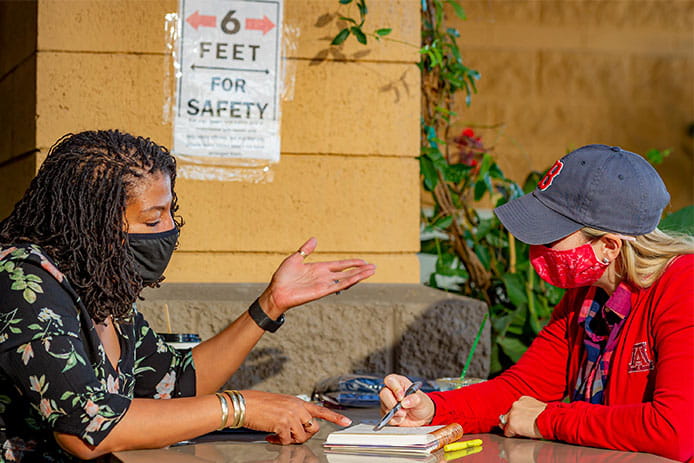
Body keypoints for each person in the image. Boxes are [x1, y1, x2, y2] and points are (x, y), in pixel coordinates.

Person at [0, 130, 376, 461]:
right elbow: (89, 429)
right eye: (153, 219)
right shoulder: (23, 280)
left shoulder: (102, 287)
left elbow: (176, 384)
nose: (170, 229)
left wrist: (270, 304)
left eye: (170, 213)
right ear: (94, 222)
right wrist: (239, 407)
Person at [379, 144, 694, 462]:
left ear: (609, 246)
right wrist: (431, 409)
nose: (536, 245)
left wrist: (547, 420)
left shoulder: (684, 286)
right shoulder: (586, 294)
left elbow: (676, 430)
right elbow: (523, 388)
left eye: (551, 235)